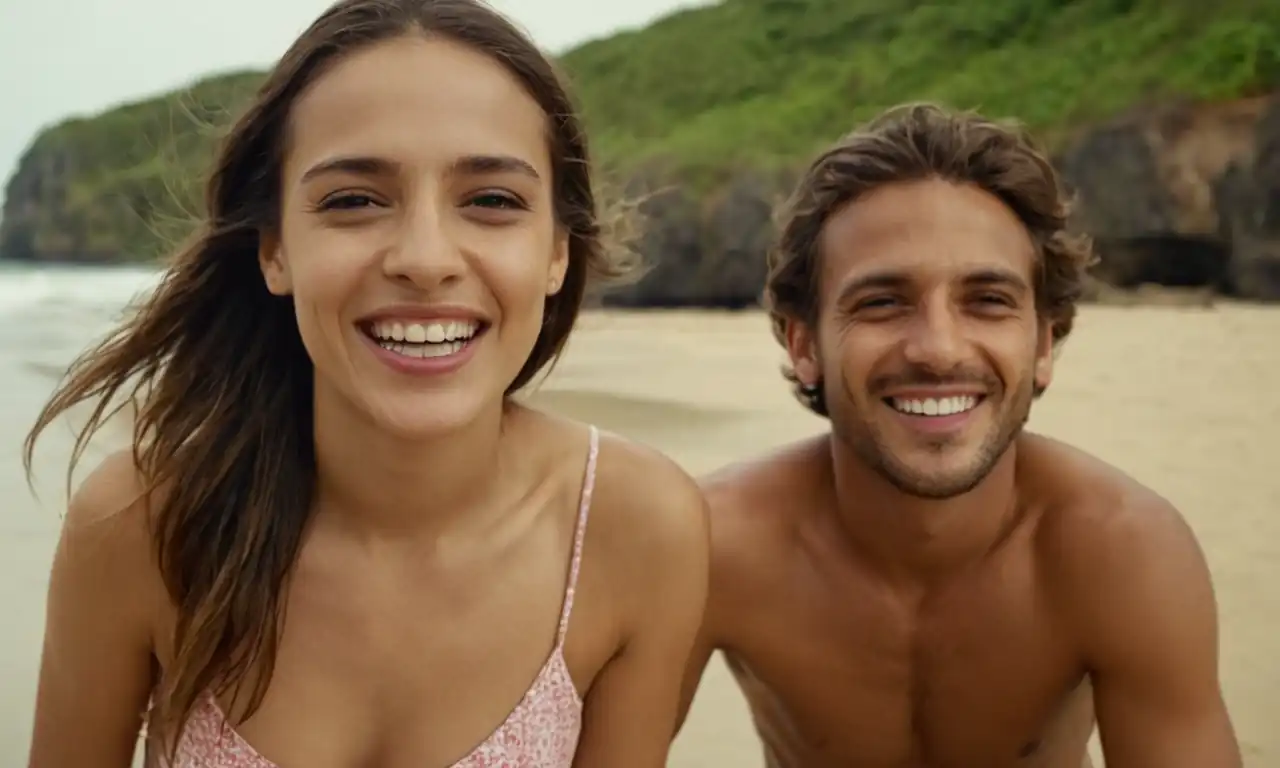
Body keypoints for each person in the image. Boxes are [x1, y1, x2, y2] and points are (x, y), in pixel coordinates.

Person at [25, 1, 710, 766]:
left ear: (556, 251)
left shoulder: (635, 530)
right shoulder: (141, 528)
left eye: (491, 200)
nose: (424, 257)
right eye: (354, 200)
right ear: (276, 250)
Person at [674, 103, 1241, 767]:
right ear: (806, 344)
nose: (939, 349)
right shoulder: (712, 547)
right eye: (882, 301)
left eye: (988, 301)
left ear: (1044, 343)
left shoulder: (1119, 552)